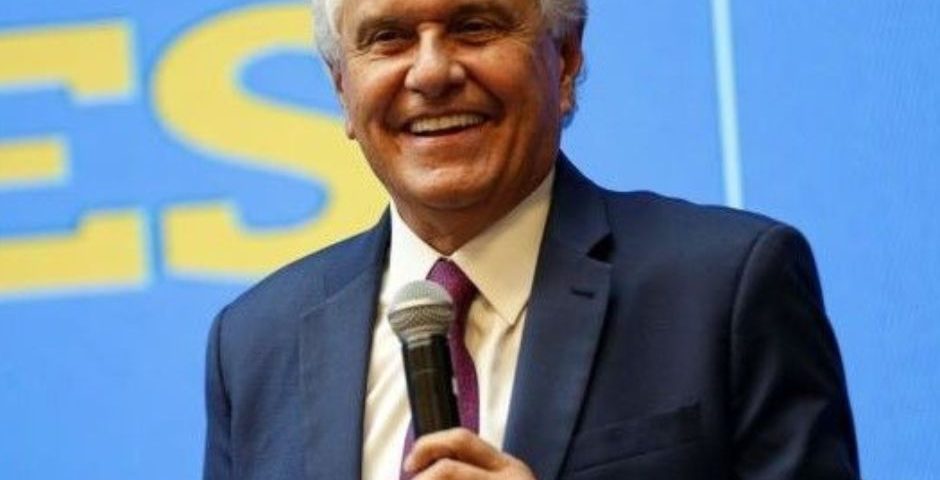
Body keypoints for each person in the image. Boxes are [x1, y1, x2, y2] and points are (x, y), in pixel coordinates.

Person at [203, 0, 860, 478]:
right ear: (341, 88)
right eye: (389, 38)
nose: (431, 73)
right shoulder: (255, 344)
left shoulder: (727, 286)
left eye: (474, 26)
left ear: (565, 57)